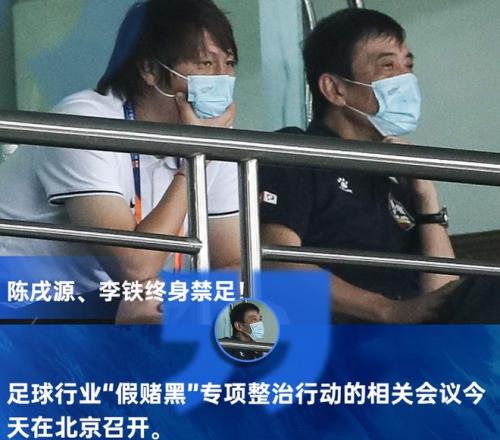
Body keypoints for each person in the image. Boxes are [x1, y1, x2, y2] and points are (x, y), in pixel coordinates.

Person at [0, 0, 240, 322]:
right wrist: (193, 163)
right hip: (21, 306)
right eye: (205, 64)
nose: (223, 77)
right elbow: (134, 266)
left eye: (229, 63)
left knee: (253, 314)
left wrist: (185, 296)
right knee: (148, 306)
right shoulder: (85, 123)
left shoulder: (213, 135)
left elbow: (233, 264)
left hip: (113, 301)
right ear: (150, 69)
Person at [259, 8, 464, 324]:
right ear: (335, 89)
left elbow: (443, 297)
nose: (406, 79)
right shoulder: (298, 153)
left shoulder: (395, 178)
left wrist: (427, 199)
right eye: (388, 66)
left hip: (411, 346)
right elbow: (275, 260)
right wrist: (388, 310)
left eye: (408, 66)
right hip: (334, 343)